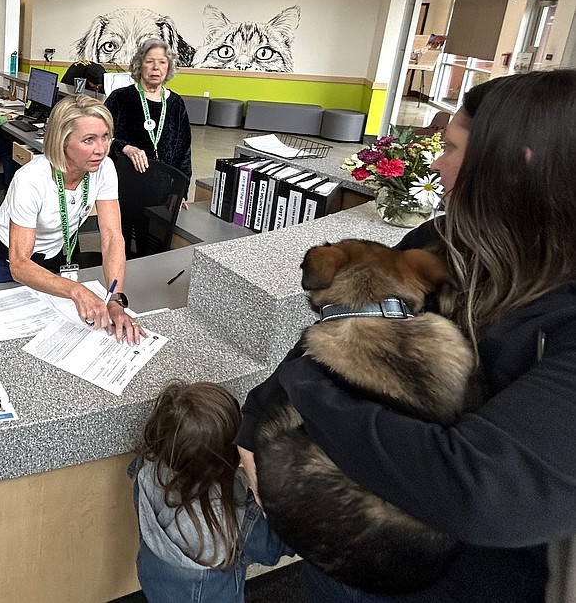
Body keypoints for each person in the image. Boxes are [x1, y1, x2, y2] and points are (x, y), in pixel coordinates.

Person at [236, 69, 576, 602]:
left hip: (448, 583)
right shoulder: (441, 239)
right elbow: (328, 335)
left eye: (453, 149)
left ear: (515, 167)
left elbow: (478, 489)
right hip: (344, 550)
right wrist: (252, 423)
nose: (437, 165)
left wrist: (307, 388)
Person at [0, 94, 143, 344]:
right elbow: (19, 264)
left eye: (105, 137)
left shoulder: (104, 168)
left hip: (53, 258)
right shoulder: (31, 179)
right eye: (89, 140)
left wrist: (115, 297)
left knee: (51, 336)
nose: (101, 149)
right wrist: (76, 290)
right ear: (62, 141)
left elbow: (112, 236)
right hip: (5, 259)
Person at [130, 380, 292, 603]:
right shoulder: (234, 516)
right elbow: (277, 546)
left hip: (156, 579)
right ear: (229, 455)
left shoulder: (147, 469)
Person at [104, 37, 192, 192]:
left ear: (169, 67)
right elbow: (101, 139)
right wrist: (125, 148)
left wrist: (180, 192)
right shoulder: (119, 98)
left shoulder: (176, 104)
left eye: (162, 62)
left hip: (161, 189)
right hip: (121, 185)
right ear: (140, 65)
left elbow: (183, 153)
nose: (156, 67)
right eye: (149, 61)